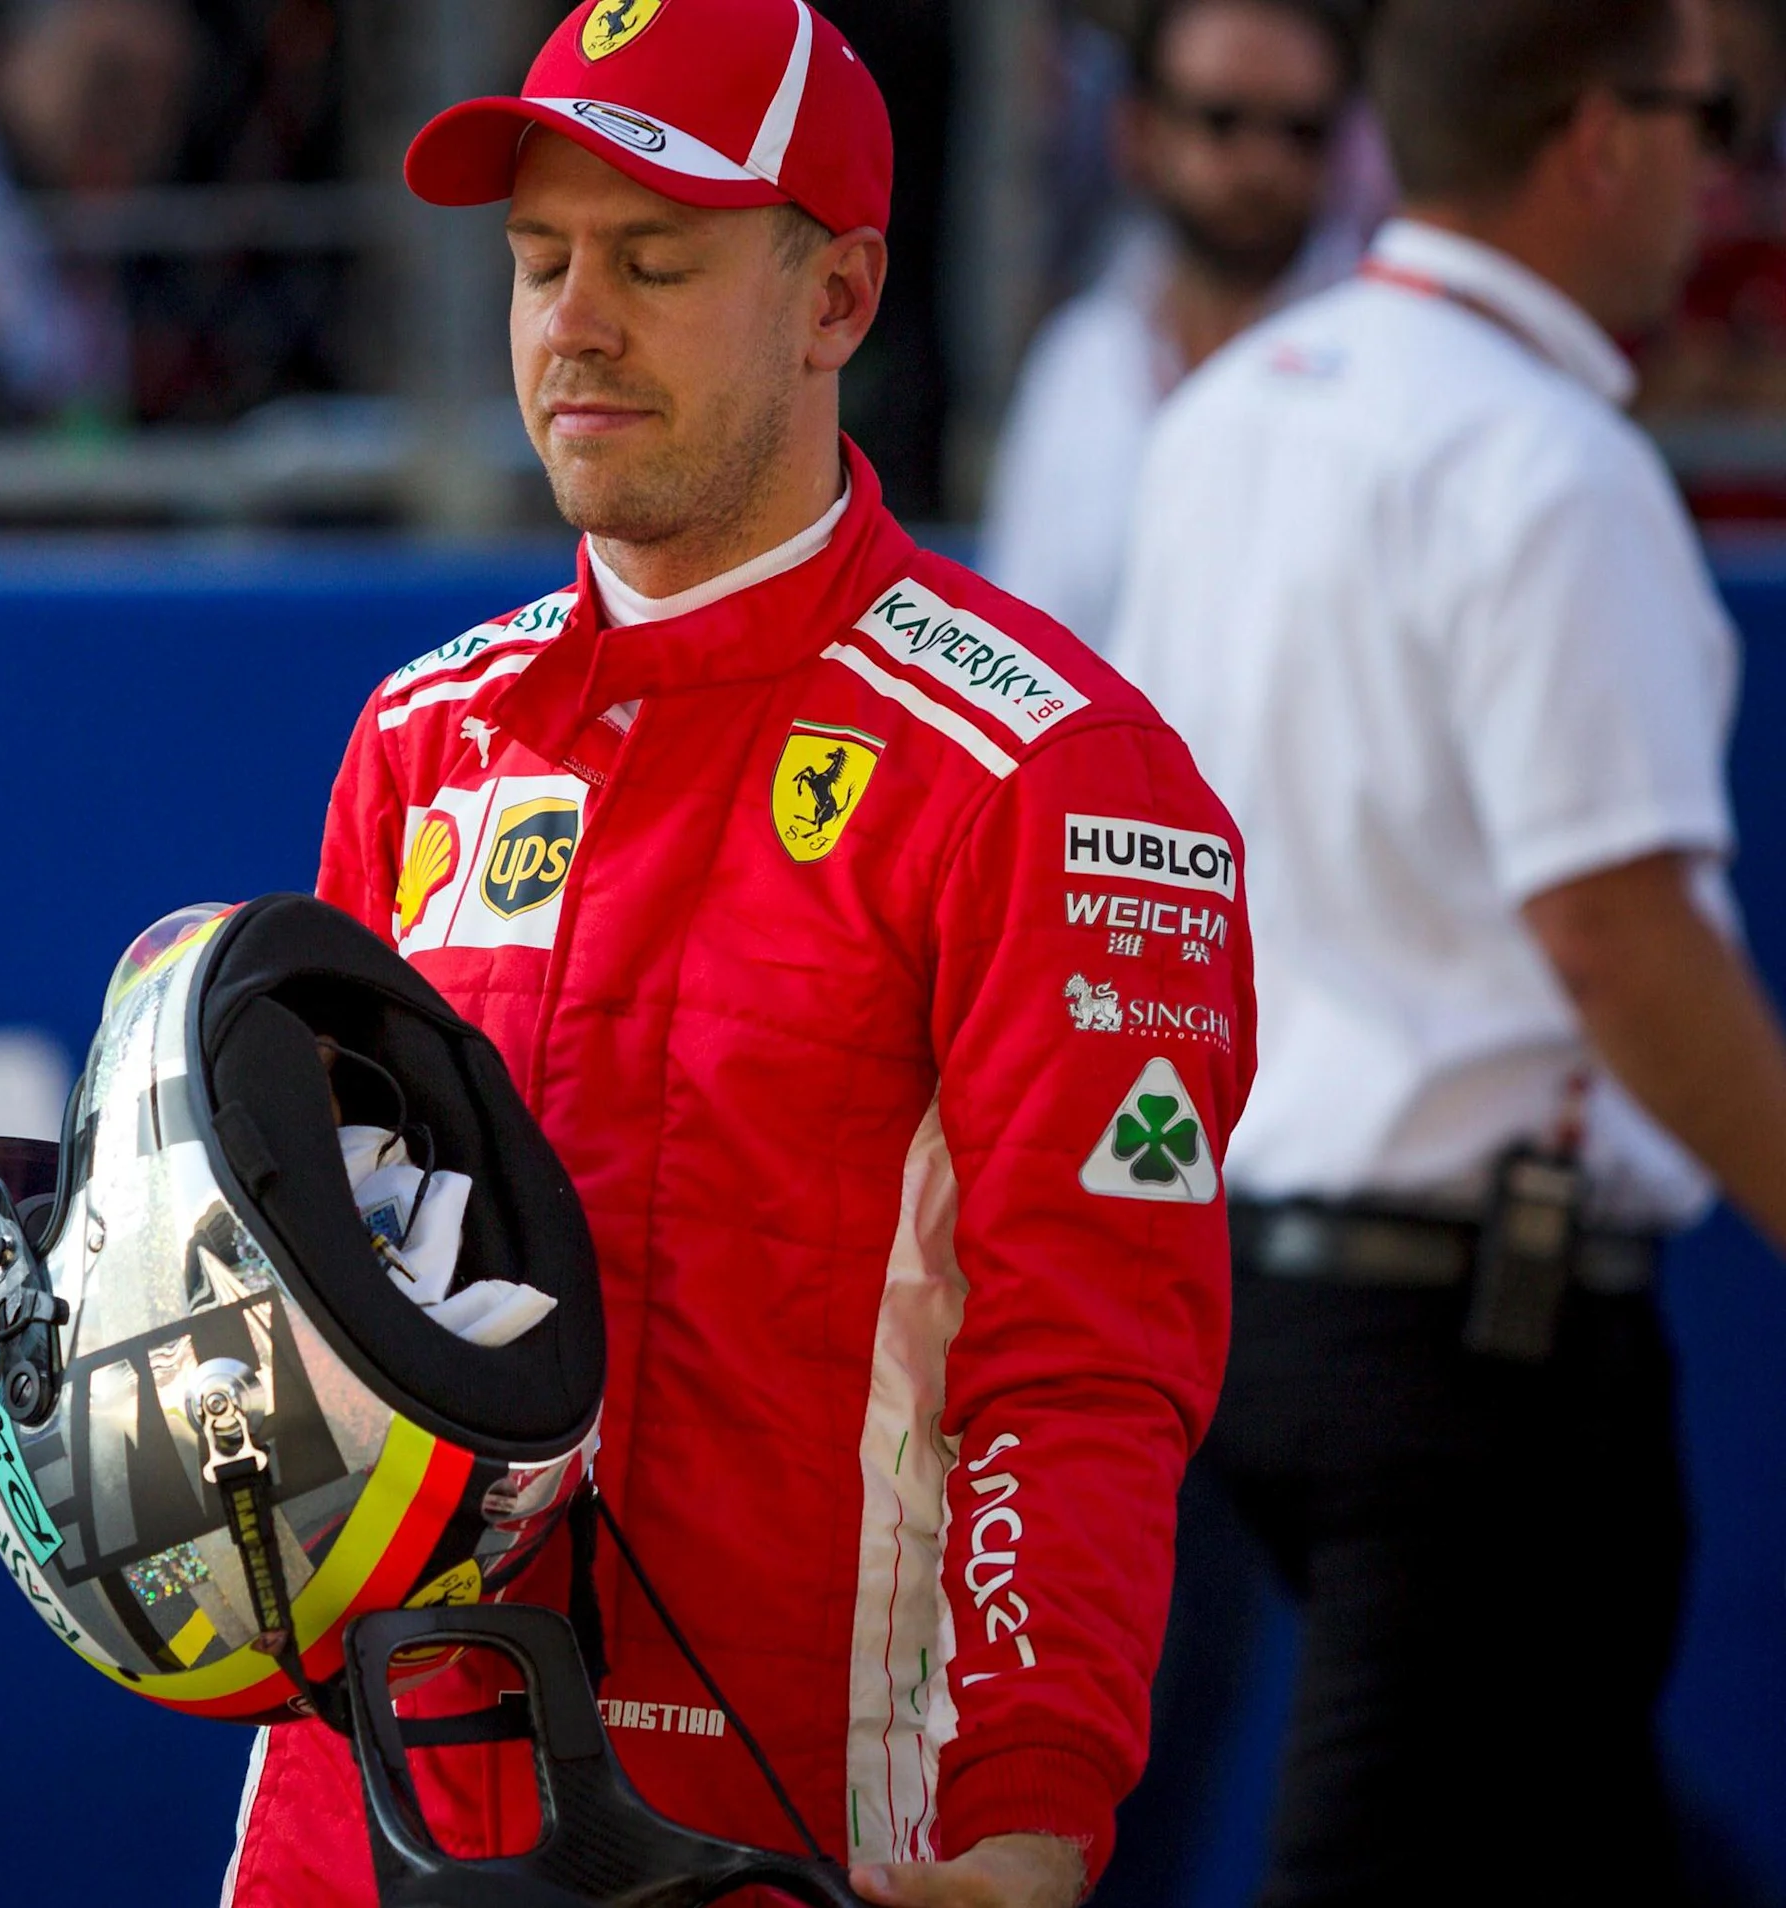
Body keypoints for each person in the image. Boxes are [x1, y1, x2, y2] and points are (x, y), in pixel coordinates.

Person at [222, 4, 1256, 1905]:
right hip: (363, 1820)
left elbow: (1087, 1364)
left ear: (837, 296)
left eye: (654, 259)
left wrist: (1028, 1809)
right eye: (539, 261)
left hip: (805, 1832)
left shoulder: (1054, 775)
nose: (570, 321)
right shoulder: (421, 737)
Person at [1102, 0, 1786, 1897]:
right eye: (1702, 112)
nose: (1717, 165)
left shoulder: (1236, 405)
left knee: (1582, 1834)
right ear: (1598, 138)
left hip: (1254, 1292)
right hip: (1476, 1345)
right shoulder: (1547, 464)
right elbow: (1615, 933)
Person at [979, 0, 1363, 653]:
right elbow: (1017, 629)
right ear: (1137, 131)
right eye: (1222, 121)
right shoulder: (1082, 358)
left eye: (1302, 131)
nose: (1261, 164)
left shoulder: (1379, 368)